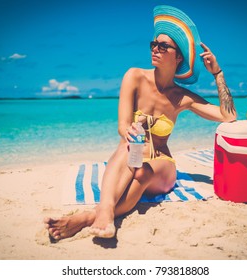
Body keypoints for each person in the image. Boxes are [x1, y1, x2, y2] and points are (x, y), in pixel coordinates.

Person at [44, 5, 236, 240]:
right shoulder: (134, 76)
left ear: (178, 57)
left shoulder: (182, 97)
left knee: (142, 175)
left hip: (160, 164)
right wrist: (131, 132)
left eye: (163, 46)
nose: (155, 48)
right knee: (127, 145)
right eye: (153, 44)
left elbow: (228, 116)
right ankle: (104, 212)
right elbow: (122, 125)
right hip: (131, 152)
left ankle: (85, 218)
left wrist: (218, 74)